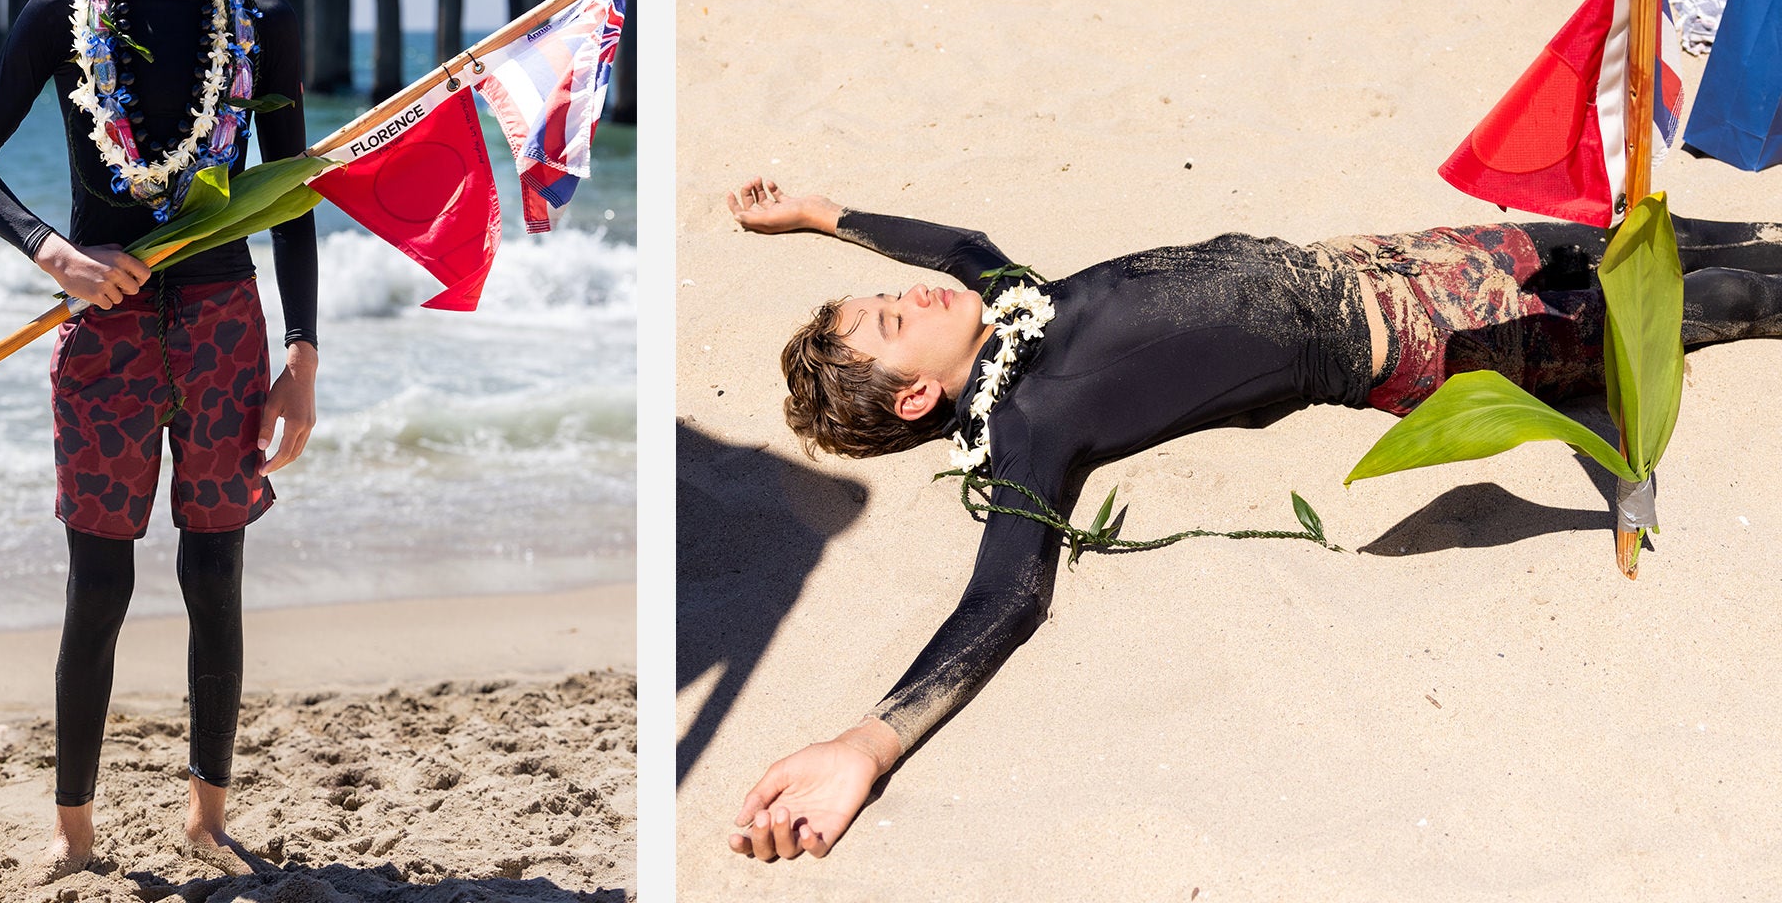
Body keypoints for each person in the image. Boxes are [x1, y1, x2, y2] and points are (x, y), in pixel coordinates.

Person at [721, 178, 1782, 861]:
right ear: (917, 399)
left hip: (1375, 256)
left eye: (887, 297)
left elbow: (959, 239)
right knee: (1712, 300)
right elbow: (1003, 595)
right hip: (1427, 343)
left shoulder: (1010, 306)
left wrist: (818, 215)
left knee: (1641, 233)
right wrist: (868, 740)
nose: (912, 298)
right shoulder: (1029, 433)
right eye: (892, 323)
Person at [0, 0, 316, 880]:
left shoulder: (264, 18)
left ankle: (206, 820)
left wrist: (301, 352)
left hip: (222, 324)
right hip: (100, 332)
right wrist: (51, 250)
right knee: (98, 583)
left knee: (215, 572)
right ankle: (74, 834)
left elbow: (289, 190)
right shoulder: (62, 10)